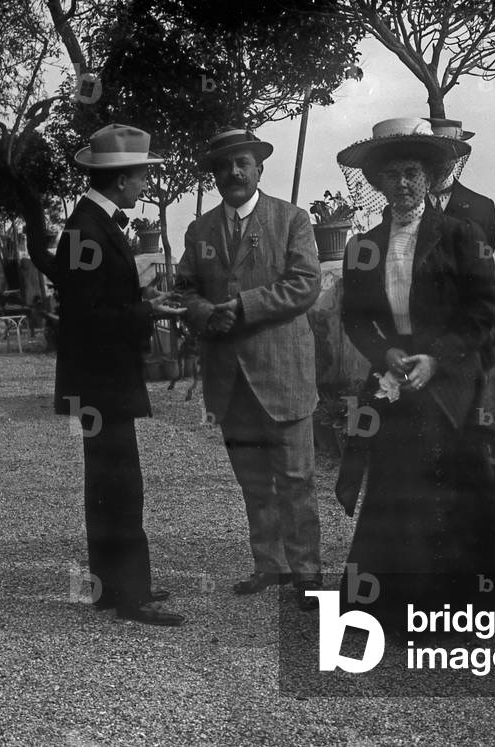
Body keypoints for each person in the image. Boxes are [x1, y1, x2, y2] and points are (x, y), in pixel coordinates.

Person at [336, 118, 495, 634]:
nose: (402, 184)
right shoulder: (364, 246)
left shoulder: (461, 236)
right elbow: (355, 317)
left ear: (428, 178)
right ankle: (394, 608)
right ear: (378, 183)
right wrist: (386, 356)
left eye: (412, 173)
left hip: (448, 378)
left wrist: (436, 360)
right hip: (395, 376)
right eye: (393, 175)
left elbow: (480, 312)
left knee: (448, 480)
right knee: (395, 481)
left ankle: (461, 610)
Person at [175, 128, 323, 611]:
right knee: (253, 480)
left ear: (259, 167)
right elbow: (185, 290)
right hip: (231, 380)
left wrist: (240, 306)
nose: (233, 173)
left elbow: (304, 285)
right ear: (215, 175)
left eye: (242, 163)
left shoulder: (292, 220)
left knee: (297, 479)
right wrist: (201, 312)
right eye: (223, 167)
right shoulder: (199, 232)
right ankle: (270, 565)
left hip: (284, 374)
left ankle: (307, 575)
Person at [53, 124, 187, 627]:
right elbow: (86, 317)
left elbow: (97, 303)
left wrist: (141, 303)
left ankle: (113, 587)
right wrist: (144, 314)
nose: (145, 187)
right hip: (102, 383)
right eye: (142, 177)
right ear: (121, 178)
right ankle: (132, 595)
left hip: (98, 381)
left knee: (107, 484)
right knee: (121, 486)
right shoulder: (86, 230)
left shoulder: (90, 223)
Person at [425, 117, 495, 253]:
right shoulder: (402, 209)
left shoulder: (482, 208)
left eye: (445, 154)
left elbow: (485, 266)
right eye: (430, 153)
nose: (437, 162)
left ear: (458, 155)